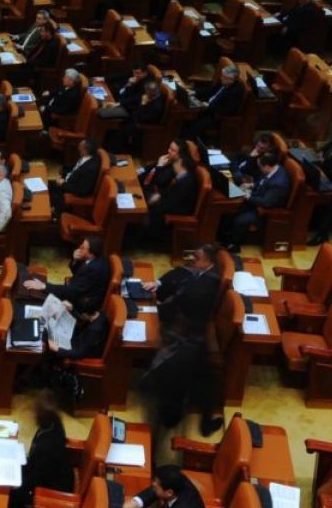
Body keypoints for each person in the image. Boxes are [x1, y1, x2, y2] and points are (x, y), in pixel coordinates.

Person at [141, 245, 223, 434]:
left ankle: (170, 416)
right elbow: (181, 271)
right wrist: (158, 284)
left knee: (173, 371)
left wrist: (155, 307)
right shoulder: (202, 272)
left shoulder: (202, 289)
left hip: (188, 336)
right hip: (189, 334)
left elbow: (177, 309)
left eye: (196, 257)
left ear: (208, 262)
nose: (192, 259)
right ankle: (203, 420)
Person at [10, 393, 74, 508]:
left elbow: (35, 479)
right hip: (46, 474)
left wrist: (13, 485)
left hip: (51, 490)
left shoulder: (47, 446)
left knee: (10, 495)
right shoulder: (53, 424)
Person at [21, 236, 108, 313]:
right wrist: (75, 260)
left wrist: (44, 286)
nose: (80, 247)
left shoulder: (94, 270)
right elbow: (78, 274)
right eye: (82, 244)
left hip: (80, 304)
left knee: (38, 297)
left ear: (91, 254)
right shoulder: (94, 258)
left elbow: (71, 291)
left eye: (83, 247)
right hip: (75, 290)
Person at [226, 152, 289, 251]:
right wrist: (250, 185)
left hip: (265, 211)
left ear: (267, 167)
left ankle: (234, 245)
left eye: (260, 167)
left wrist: (247, 196)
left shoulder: (278, 184)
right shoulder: (273, 168)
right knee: (231, 208)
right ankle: (226, 238)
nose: (259, 169)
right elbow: (261, 182)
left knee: (240, 219)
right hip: (257, 198)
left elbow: (266, 202)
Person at [146, 155, 199, 242]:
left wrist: (158, 200)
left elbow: (174, 201)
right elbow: (171, 191)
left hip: (182, 209)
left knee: (154, 206)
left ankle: (152, 237)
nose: (174, 164)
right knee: (150, 197)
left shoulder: (186, 182)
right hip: (175, 202)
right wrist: (159, 195)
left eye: (176, 162)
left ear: (180, 164)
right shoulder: (183, 175)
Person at [185, 64, 244, 138]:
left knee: (191, 127)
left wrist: (209, 106)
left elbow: (227, 110)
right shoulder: (223, 81)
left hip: (214, 116)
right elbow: (210, 90)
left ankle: (185, 138)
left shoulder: (236, 92)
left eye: (224, 77)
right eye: (222, 76)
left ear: (232, 80)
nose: (221, 78)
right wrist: (195, 92)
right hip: (205, 105)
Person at [49, 138, 101, 212]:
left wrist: (63, 184)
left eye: (80, 146)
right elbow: (75, 168)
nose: (78, 147)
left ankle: (56, 211)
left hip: (70, 188)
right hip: (68, 180)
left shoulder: (90, 169)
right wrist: (63, 173)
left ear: (85, 150)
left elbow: (82, 191)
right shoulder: (87, 157)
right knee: (47, 185)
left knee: (48, 192)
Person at [123, 465, 204, 508]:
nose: (153, 484)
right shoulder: (178, 481)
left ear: (169, 493)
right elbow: (156, 490)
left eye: (156, 484)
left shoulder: (184, 505)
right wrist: (136, 502)